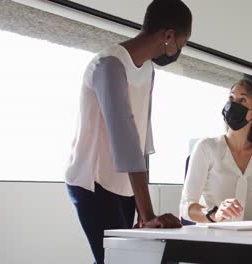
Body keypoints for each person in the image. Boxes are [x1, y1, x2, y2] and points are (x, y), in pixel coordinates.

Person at [65, 1, 192, 263]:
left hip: (126, 185)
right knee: (115, 259)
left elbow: (143, 139)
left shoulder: (147, 69)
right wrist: (147, 215)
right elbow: (125, 140)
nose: (180, 49)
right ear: (168, 35)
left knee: (124, 257)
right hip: (93, 182)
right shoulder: (109, 64)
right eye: (183, 42)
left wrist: (142, 206)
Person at [180, 79, 252, 223]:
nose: (234, 105)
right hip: (212, 238)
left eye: (242, 100)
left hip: (250, 240)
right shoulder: (205, 147)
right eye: (231, 98)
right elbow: (186, 207)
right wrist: (214, 214)